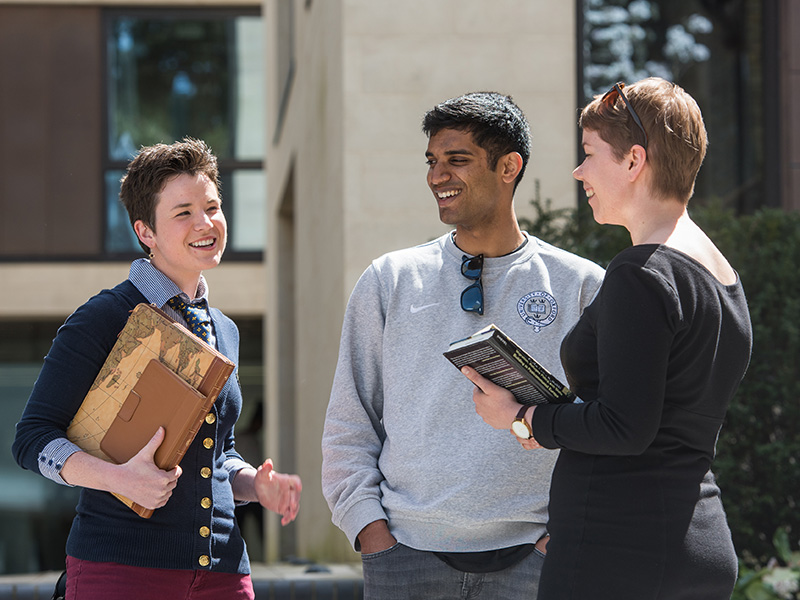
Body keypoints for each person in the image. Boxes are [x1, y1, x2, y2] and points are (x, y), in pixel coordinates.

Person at [467, 78, 753, 599]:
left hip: (621, 552)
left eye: (590, 153)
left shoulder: (639, 273)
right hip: (694, 543)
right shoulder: (722, 276)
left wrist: (522, 419)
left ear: (633, 161)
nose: (579, 172)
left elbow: (625, 426)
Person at [320, 92, 605, 599]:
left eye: (457, 160)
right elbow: (350, 421)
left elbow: (606, 424)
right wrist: (370, 530)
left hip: (538, 562)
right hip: (403, 557)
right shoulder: (390, 280)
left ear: (509, 166)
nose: (437, 176)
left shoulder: (580, 285)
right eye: (432, 161)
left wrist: (559, 538)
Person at [12, 138, 302, 600]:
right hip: (121, 571)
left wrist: (254, 485)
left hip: (225, 573)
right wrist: (119, 479)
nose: (205, 223)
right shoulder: (104, 317)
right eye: (183, 212)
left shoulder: (224, 329)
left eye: (212, 206)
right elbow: (31, 441)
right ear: (145, 231)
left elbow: (215, 453)